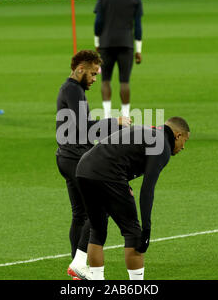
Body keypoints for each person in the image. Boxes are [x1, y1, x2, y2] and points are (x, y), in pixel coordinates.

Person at [76, 117, 190, 280]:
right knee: (133, 233)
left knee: (97, 229)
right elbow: (147, 189)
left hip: (83, 169)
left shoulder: (146, 131)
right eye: (184, 141)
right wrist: (146, 229)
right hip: (108, 173)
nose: (183, 147)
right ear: (177, 135)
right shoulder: (162, 145)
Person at [56, 50, 131, 280]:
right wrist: (115, 122)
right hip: (77, 158)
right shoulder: (72, 90)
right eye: (92, 73)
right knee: (98, 212)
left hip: (66, 157)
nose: (95, 78)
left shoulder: (71, 89)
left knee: (80, 214)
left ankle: (76, 268)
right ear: (80, 69)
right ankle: (79, 264)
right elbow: (85, 128)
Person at [93, 0, 143, 119]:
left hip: (106, 43)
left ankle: (107, 116)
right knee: (124, 82)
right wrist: (138, 50)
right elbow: (138, 26)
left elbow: (98, 22)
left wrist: (97, 41)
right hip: (126, 44)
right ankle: (125, 116)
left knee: (105, 80)